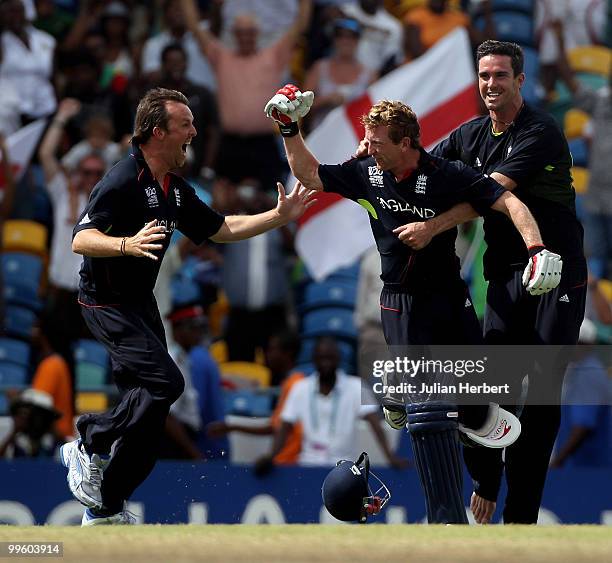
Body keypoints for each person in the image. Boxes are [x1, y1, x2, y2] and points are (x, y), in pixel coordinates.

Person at [265, 87, 560, 523]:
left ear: (407, 142)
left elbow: (509, 202)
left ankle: (415, 401)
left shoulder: (446, 174)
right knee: (427, 408)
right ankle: (444, 515)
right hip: (400, 305)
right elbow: (308, 174)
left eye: (378, 142)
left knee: (481, 403)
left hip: (448, 296)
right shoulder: (366, 172)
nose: (370, 149)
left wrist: (537, 249)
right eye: (369, 141)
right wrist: (289, 128)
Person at [59, 87, 315, 527]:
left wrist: (278, 217)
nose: (195, 132)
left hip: (139, 305)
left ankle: (105, 508)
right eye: (185, 125)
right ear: (157, 133)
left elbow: (220, 227)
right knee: (166, 383)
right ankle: (86, 440)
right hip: (105, 303)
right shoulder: (123, 178)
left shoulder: (174, 190)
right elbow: (81, 238)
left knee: (152, 410)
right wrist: (126, 243)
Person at [391, 40, 588, 524]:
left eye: (501, 75)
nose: (490, 85)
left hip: (554, 274)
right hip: (503, 276)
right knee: (488, 384)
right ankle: (485, 479)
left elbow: (488, 195)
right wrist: (377, 152)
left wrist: (433, 226)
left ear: (520, 80)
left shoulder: (540, 130)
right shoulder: (470, 134)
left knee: (540, 392)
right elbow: (420, 167)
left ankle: (519, 518)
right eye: (484, 76)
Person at [179, 0, 312, 191]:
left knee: (270, 203)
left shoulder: (273, 56)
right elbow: (194, 27)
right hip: (229, 143)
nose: (245, 37)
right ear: (234, 35)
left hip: (263, 144)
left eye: (250, 32)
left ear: (257, 34)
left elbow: (301, 25)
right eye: (240, 33)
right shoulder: (222, 57)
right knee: (226, 203)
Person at [255, 336, 407, 470]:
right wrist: (271, 456)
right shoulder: (300, 388)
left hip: (344, 468)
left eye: (330, 357)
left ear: (338, 359)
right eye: (321, 358)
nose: (325, 363)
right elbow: (284, 427)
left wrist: (390, 457)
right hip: (308, 466)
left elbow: (376, 426)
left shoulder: (356, 387)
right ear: (314, 359)